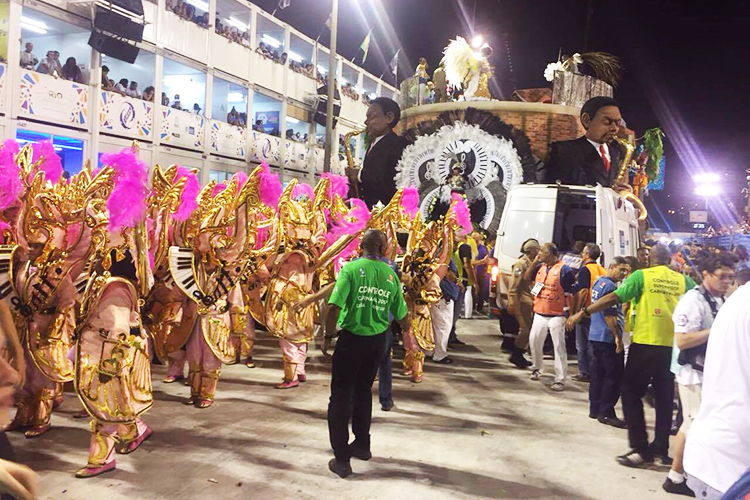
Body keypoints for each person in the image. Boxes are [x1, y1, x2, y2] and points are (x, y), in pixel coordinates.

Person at [568, 244, 696, 467]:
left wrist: (584, 311)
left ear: (650, 260)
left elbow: (613, 298)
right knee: (665, 401)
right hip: (671, 349)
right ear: (670, 261)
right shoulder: (683, 280)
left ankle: (640, 449)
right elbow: (699, 297)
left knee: (630, 394)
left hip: (645, 345)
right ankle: (661, 449)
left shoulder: (641, 277)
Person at [325, 230, 409, 479]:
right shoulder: (391, 275)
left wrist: (328, 335)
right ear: (383, 249)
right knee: (363, 392)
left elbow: (333, 307)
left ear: (361, 246)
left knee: (340, 397)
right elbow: (403, 317)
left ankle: (341, 459)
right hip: (377, 342)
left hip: (352, 340)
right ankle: (362, 444)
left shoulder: (350, 270)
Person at [663, 254, 735, 496]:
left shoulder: (721, 300)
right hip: (691, 373)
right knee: (692, 424)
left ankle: (685, 472)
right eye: (721, 276)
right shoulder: (692, 300)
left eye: (730, 277)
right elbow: (682, 340)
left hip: (709, 372)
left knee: (695, 423)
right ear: (705, 274)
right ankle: (675, 476)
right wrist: (716, 331)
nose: (726, 281)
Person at [586, 256, 631, 428]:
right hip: (607, 337)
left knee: (597, 374)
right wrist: (618, 337)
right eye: (621, 269)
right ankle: (607, 412)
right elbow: (610, 315)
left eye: (626, 271)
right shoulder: (611, 287)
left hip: (595, 335)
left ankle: (595, 408)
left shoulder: (599, 283)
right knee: (613, 376)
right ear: (612, 267)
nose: (624, 273)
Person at [540, 96, 625, 186]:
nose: (614, 128)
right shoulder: (564, 151)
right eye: (607, 122)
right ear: (586, 120)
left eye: (617, 123)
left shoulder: (617, 154)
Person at [528, 243, 579, 391]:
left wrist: (572, 314)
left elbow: (573, 293)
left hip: (557, 314)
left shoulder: (565, 270)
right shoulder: (541, 267)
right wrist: (535, 262)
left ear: (550, 254)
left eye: (542, 252)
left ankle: (560, 378)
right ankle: (537, 367)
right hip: (540, 311)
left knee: (558, 346)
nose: (539, 254)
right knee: (534, 340)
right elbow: (527, 277)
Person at [345, 97, 408, 208]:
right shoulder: (374, 143)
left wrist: (359, 175)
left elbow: (389, 179)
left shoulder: (398, 144)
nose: (366, 122)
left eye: (372, 117)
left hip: (384, 213)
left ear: (389, 118)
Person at [571, 243, 607, 383]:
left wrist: (578, 311)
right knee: (593, 344)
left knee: (582, 344)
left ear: (587, 255)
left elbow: (584, 291)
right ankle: (595, 372)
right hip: (598, 311)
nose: (581, 255)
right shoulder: (602, 270)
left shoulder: (585, 270)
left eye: (583, 253)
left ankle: (585, 373)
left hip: (586, 310)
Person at [507, 238, 540, 368]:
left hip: (529, 300)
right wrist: (511, 302)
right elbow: (514, 286)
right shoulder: (520, 264)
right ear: (532, 250)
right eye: (537, 249)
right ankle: (516, 354)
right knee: (525, 329)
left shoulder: (533, 264)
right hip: (521, 301)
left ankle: (519, 353)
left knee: (528, 329)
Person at [430, 260, 459, 364]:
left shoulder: (434, 255)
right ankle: (440, 355)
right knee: (443, 327)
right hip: (443, 297)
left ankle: (431, 351)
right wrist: (457, 280)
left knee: (435, 326)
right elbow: (448, 274)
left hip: (435, 295)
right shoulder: (445, 258)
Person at [471, 231, 490, 315]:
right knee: (472, 291)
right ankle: (472, 307)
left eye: (477, 239)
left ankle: (480, 307)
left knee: (481, 291)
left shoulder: (483, 248)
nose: (476, 241)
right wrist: (482, 261)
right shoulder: (470, 248)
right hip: (473, 273)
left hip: (481, 273)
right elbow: (471, 262)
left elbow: (487, 259)